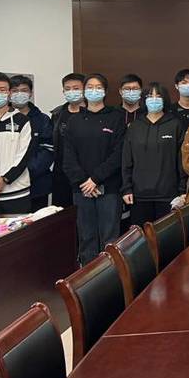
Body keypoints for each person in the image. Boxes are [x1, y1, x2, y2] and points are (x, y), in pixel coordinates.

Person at [63, 73, 126, 265]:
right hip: (82, 190)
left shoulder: (116, 117)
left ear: (105, 91)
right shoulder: (74, 120)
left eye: (98, 87)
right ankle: (87, 278)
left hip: (109, 188)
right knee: (86, 237)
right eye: (89, 87)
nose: (93, 90)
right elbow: (68, 157)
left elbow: (119, 154)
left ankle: (113, 276)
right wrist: (84, 182)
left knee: (110, 238)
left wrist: (95, 179)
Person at [121, 83, 185, 226]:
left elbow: (182, 160)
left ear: (165, 99)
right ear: (144, 99)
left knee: (167, 236)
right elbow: (127, 160)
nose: (154, 99)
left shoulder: (175, 124)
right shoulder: (135, 126)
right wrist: (126, 188)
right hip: (139, 195)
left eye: (158, 96)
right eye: (150, 96)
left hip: (168, 194)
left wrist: (183, 190)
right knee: (142, 236)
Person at [0, 73, 34, 217]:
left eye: (2, 90)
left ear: (9, 93)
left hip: (16, 193)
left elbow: (24, 155)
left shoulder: (22, 121)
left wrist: (4, 179)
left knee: (20, 232)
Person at [9, 75, 53, 211]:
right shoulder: (0, 119)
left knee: (37, 223)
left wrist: (24, 173)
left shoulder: (42, 119)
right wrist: (8, 176)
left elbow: (47, 150)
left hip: (36, 185)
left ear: (31, 93)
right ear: (9, 93)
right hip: (5, 186)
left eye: (24, 90)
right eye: (15, 91)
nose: (19, 94)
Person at [51, 72, 85, 208]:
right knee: (62, 215)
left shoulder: (93, 113)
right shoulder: (57, 114)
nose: (72, 92)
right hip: (61, 174)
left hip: (86, 174)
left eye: (76, 88)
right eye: (68, 89)